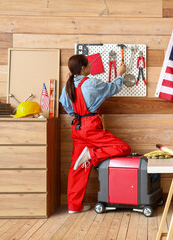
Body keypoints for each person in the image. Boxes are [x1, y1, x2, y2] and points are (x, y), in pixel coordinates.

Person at [59, 54, 131, 214]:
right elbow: (113, 88)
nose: (91, 66)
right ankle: (91, 154)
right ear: (83, 68)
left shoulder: (68, 86)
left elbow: (68, 108)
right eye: (89, 64)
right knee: (123, 147)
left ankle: (74, 207)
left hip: (77, 128)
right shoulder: (91, 83)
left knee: (77, 168)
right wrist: (120, 74)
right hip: (91, 127)